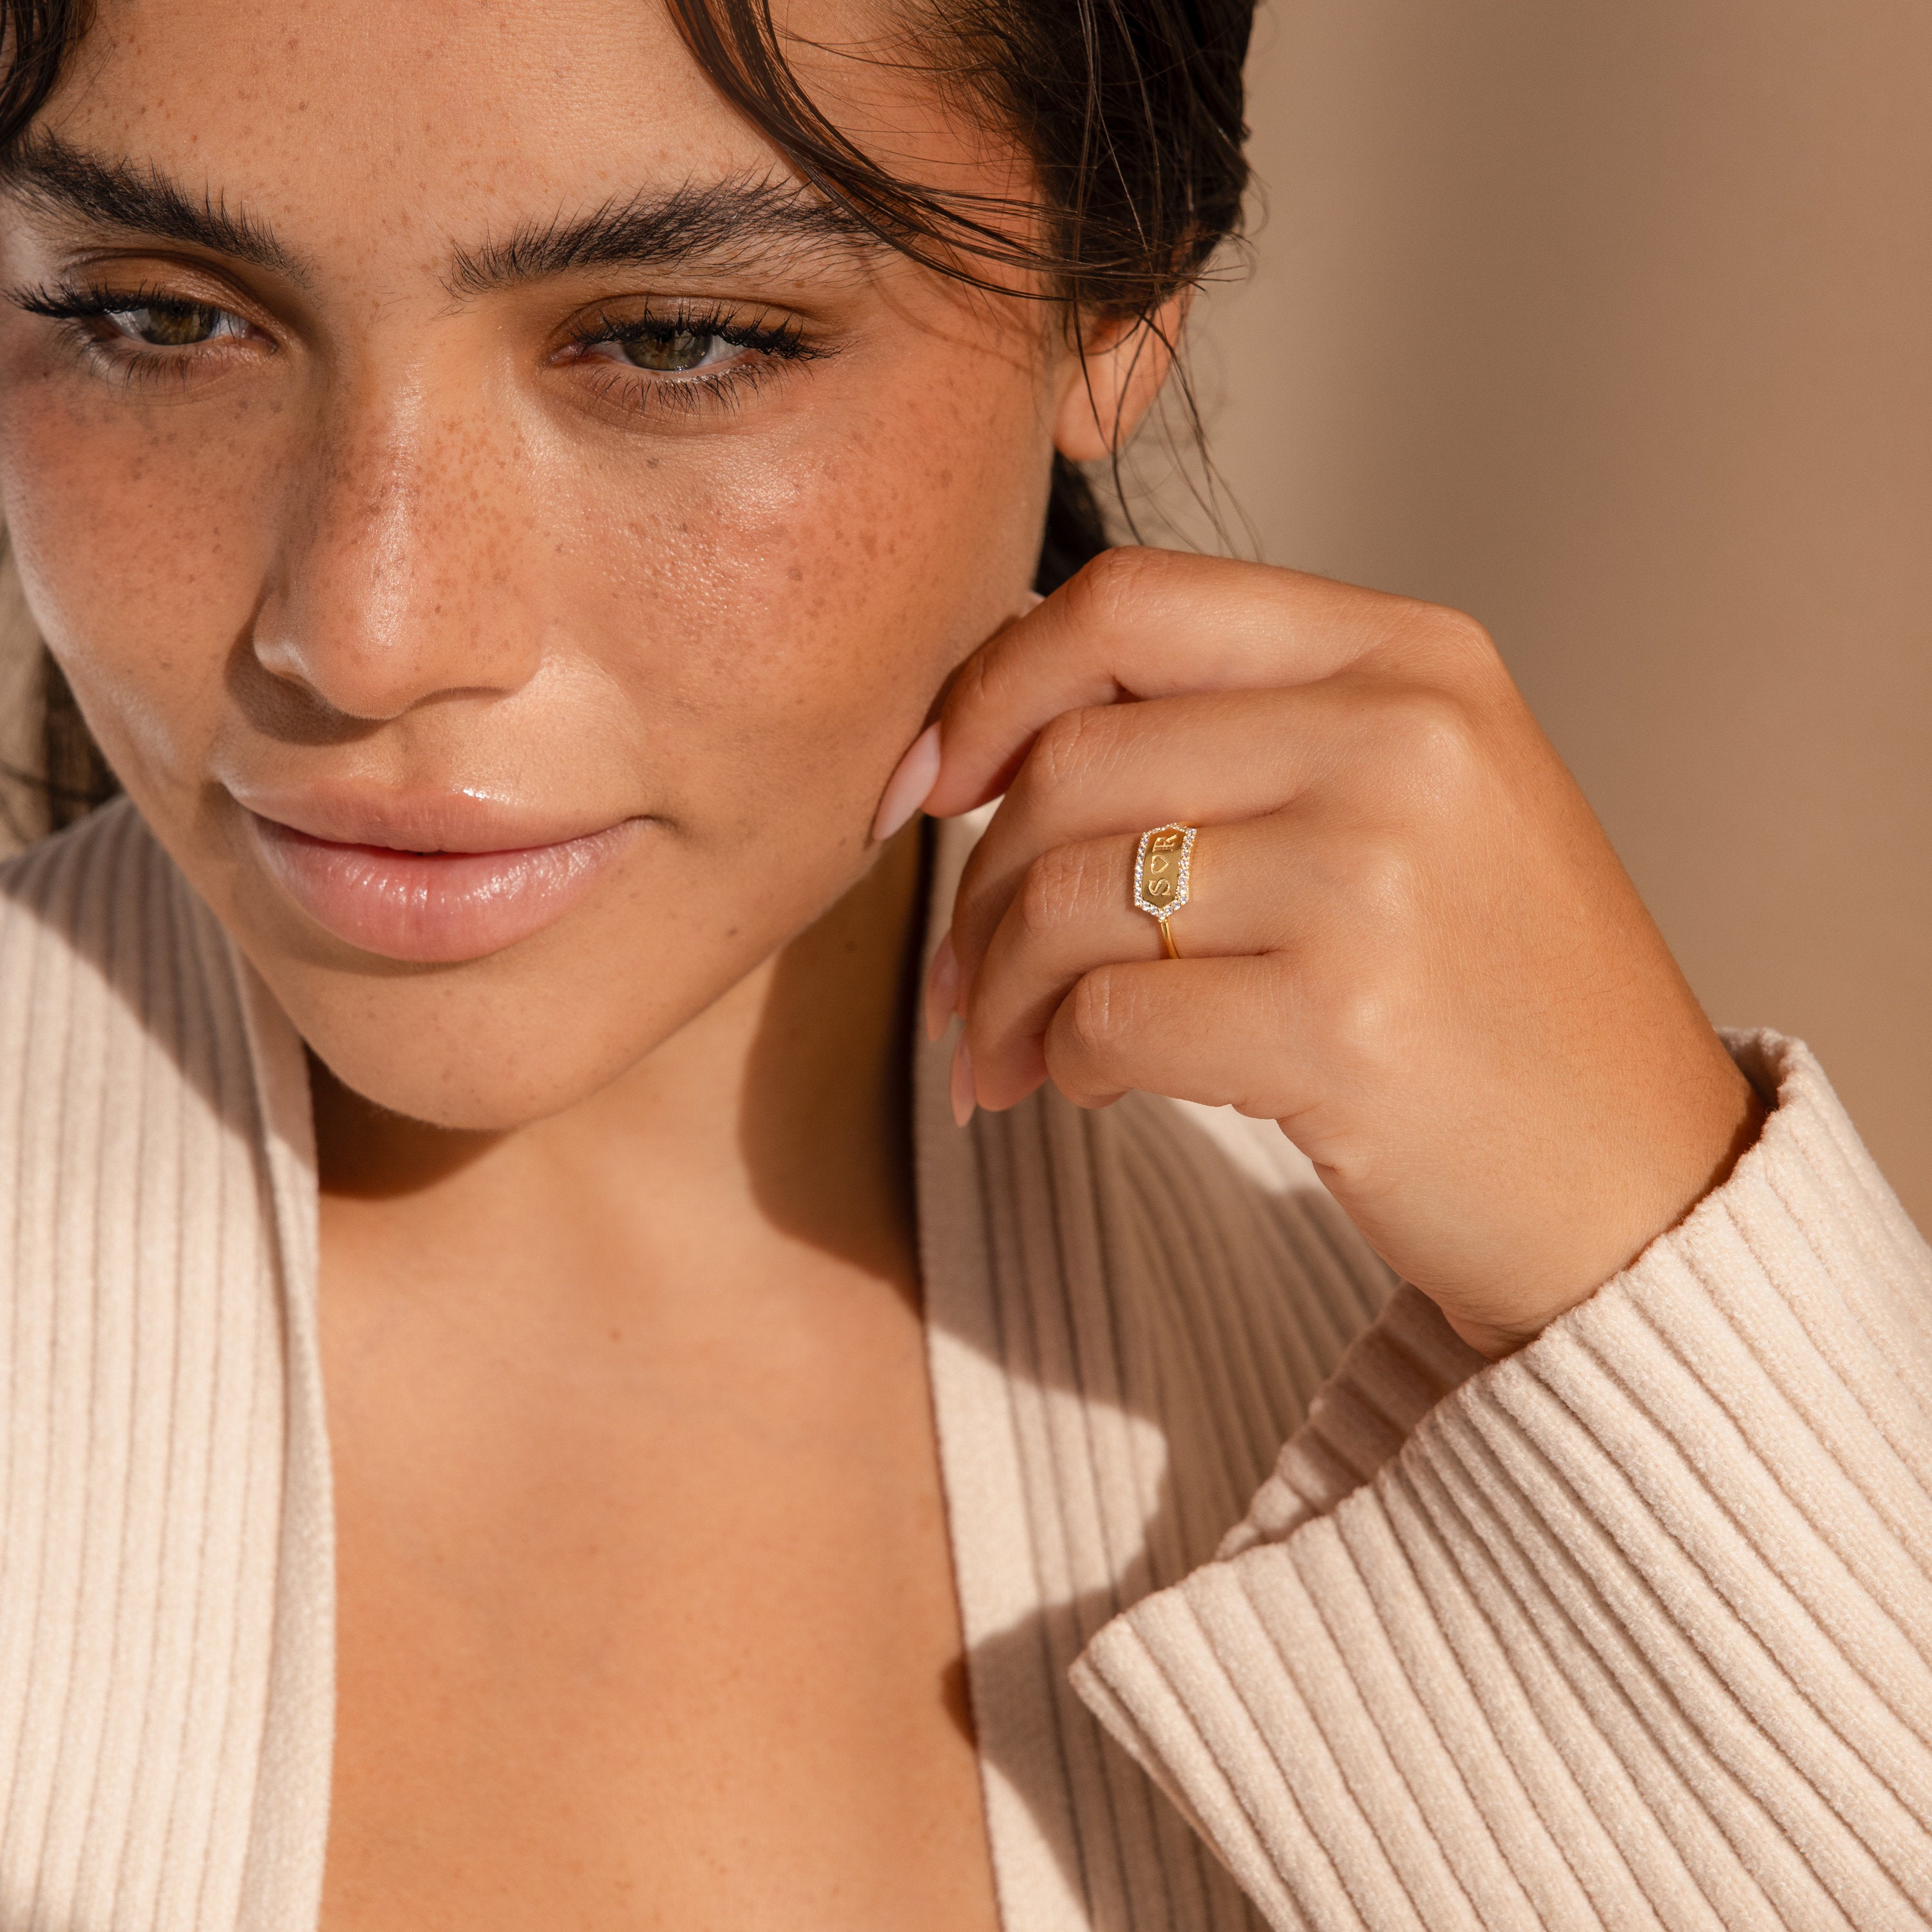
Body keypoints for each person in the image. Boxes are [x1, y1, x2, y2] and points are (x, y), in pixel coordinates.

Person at [0, 0, 1926, 1927]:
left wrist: (1661, 1289)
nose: (368, 630)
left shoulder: (1437, 1316)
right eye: (155, 314)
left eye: (677, 339)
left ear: (1118, 295)